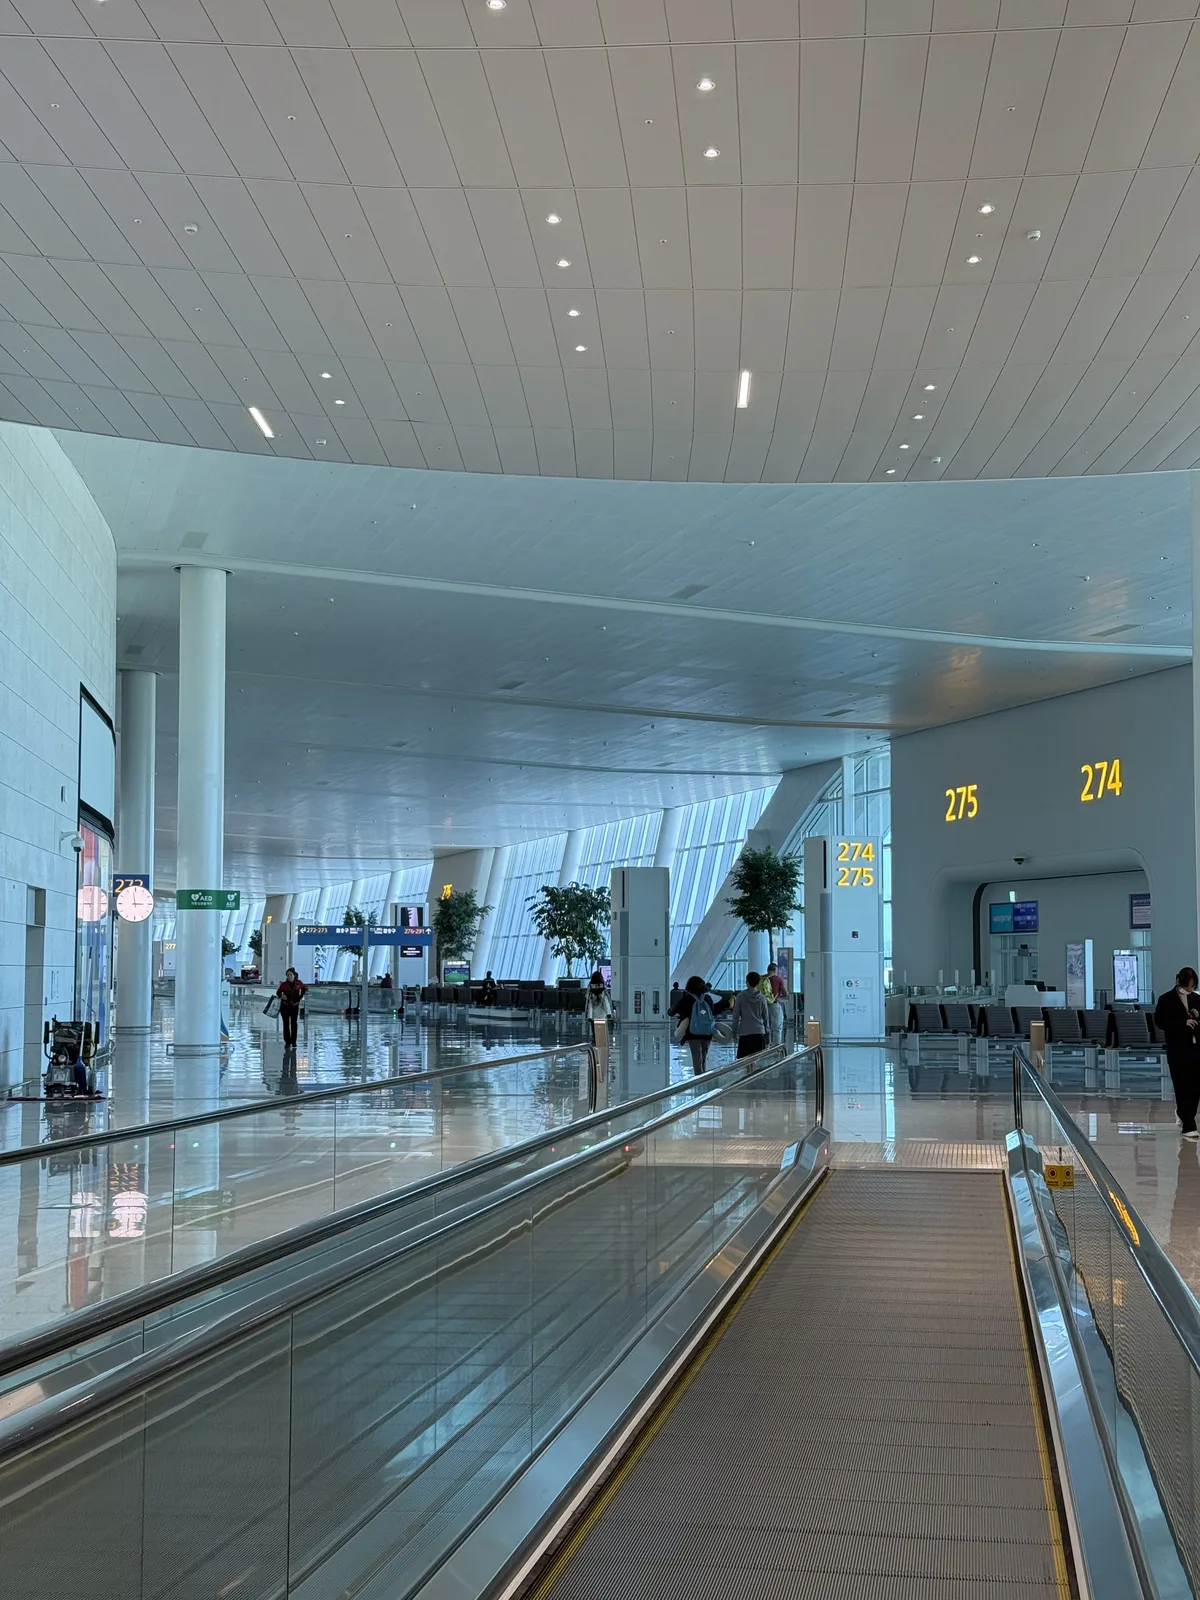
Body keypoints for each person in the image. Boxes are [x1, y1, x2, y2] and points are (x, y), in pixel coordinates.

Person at [1154, 967, 1200, 1139]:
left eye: (1193, 985)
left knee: (1195, 1088)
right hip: (1178, 1049)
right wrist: (1182, 1023)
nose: (1191, 989)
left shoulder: (1196, 999)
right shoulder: (1166, 1000)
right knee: (1182, 1086)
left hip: (1196, 1049)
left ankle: (1183, 1113)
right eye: (1189, 985)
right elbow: (1161, 1022)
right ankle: (1189, 1125)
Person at [669, 975, 728, 1074]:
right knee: (703, 1058)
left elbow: (673, 1011)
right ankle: (703, 1079)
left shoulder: (687, 999)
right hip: (707, 1033)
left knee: (697, 1059)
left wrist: (670, 1012)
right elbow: (713, 1012)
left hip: (693, 1034)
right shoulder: (708, 999)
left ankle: (699, 1084)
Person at [730, 971, 770, 1059]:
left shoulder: (740, 996)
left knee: (745, 1061)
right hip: (759, 1032)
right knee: (757, 1060)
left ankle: (749, 1072)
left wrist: (734, 1032)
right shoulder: (762, 998)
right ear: (758, 983)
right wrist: (767, 1033)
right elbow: (766, 1017)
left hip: (745, 1033)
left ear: (747, 982)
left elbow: (736, 1016)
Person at [275, 967, 307, 1048]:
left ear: (294, 975)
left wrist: (300, 996)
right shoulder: (284, 985)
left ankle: (293, 1040)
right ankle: (287, 1041)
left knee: (294, 1024)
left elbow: (304, 989)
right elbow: (278, 992)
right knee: (285, 1024)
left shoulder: (299, 983)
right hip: (285, 1006)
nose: (289, 976)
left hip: (294, 1006)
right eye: (288, 975)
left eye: (290, 975)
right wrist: (282, 996)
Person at [584, 970, 614, 1043]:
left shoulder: (590, 988)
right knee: (603, 1027)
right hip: (603, 1014)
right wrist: (609, 1013)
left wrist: (588, 1016)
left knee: (594, 1028)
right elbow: (607, 1002)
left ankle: (595, 1038)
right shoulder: (603, 987)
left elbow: (587, 999)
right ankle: (602, 1038)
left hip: (593, 1015)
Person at [763, 960, 789, 1044]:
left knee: (766, 1027)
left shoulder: (763, 979)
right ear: (775, 970)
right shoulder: (778, 979)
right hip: (774, 1005)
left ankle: (766, 1047)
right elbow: (785, 993)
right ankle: (776, 1048)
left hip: (763, 1005)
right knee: (777, 1028)